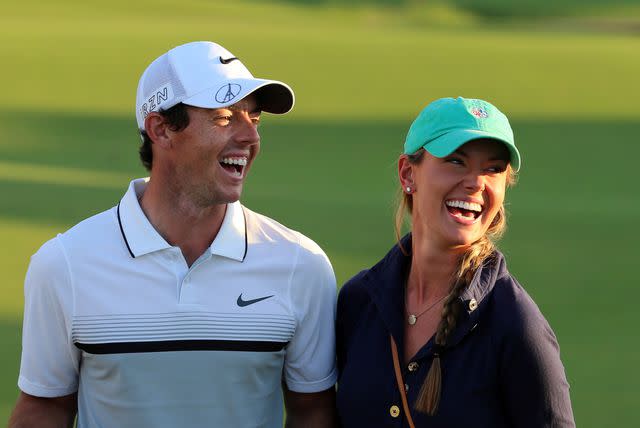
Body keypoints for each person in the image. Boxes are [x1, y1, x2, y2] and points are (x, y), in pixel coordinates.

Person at [9, 41, 338, 428]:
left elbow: (313, 411)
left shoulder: (302, 265)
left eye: (254, 118)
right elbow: (44, 409)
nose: (250, 137)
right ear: (161, 129)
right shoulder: (64, 264)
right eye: (224, 116)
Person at [336, 97, 575, 427]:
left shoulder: (517, 327)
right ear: (408, 173)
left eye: (493, 169)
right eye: (457, 161)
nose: (477, 182)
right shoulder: (358, 302)